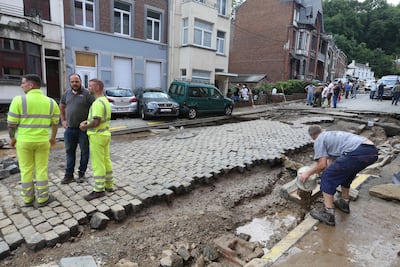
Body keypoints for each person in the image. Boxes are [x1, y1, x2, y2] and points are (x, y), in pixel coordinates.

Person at [300, 125, 378, 226]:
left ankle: (329, 215)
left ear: (313, 137)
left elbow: (322, 165)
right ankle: (344, 203)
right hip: (372, 152)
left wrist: (308, 173)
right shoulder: (331, 136)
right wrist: (324, 170)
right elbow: (331, 163)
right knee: (346, 173)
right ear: (322, 130)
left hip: (358, 152)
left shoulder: (319, 140)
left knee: (327, 177)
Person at [7, 74, 60, 207]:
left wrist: (13, 139)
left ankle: (28, 199)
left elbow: (11, 124)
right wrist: (53, 138)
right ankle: (43, 198)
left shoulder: (18, 100)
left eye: (23, 83)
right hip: (42, 141)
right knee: (41, 169)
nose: (21, 85)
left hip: (24, 142)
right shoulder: (51, 102)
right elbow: (55, 123)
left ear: (31, 85)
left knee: (26, 170)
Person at [79, 78, 114, 201]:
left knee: (97, 163)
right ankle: (109, 185)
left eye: (90, 86)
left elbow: (96, 121)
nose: (88, 88)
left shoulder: (97, 103)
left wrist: (85, 126)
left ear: (98, 87)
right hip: (104, 134)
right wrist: (88, 121)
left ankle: (99, 189)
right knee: (106, 160)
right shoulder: (105, 101)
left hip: (97, 136)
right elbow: (99, 120)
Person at [60, 74, 95, 184]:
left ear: (80, 81)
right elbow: (61, 105)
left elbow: (94, 109)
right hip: (70, 129)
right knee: (70, 152)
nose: (74, 84)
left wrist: (88, 122)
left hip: (83, 130)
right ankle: (69, 175)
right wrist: (63, 119)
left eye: (76, 81)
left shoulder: (87, 94)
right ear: (69, 82)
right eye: (72, 82)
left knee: (85, 152)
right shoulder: (66, 94)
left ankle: (81, 174)